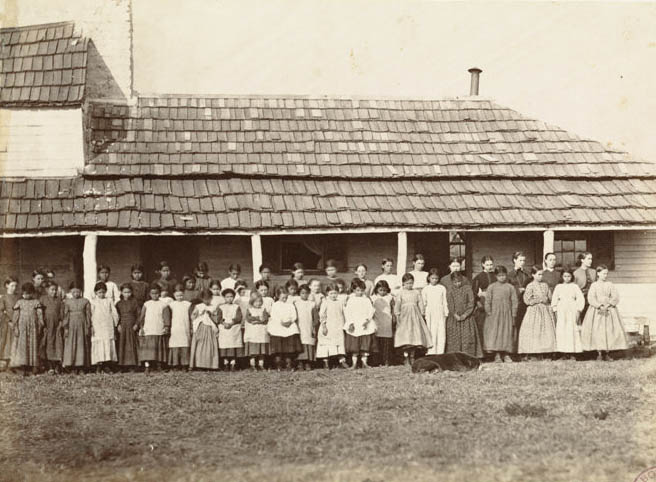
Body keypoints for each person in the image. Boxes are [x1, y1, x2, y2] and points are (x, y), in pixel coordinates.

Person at [581, 265, 628, 360]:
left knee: (609, 331)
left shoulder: (610, 284)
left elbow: (616, 297)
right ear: (598, 273)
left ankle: (608, 352)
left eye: (606, 274)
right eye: (603, 273)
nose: (605, 276)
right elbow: (590, 298)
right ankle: (599, 352)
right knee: (598, 331)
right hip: (597, 310)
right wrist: (599, 305)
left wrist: (609, 304)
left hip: (609, 310)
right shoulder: (594, 285)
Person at [517, 265, 556, 359]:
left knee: (546, 330)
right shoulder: (530, 286)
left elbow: (550, 298)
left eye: (542, 274)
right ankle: (534, 353)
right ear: (533, 275)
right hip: (534, 311)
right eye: (538, 274)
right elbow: (526, 300)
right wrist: (537, 300)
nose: (541, 276)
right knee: (534, 331)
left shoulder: (545, 285)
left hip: (545, 310)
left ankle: (546, 353)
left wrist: (547, 299)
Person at [394, 273, 432, 366]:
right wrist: (398, 315)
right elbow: (397, 306)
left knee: (414, 337)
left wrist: (422, 313)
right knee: (406, 337)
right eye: (407, 283)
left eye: (411, 283)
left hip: (415, 316)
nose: (409, 285)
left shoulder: (416, 292)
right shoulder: (400, 293)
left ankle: (412, 356)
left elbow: (420, 303)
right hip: (405, 316)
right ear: (403, 283)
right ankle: (406, 357)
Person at [483, 266, 519, 363]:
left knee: (507, 333)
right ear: (495, 276)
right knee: (496, 333)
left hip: (507, 314)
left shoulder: (510, 287)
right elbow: (487, 300)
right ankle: (497, 355)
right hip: (495, 314)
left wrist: (513, 313)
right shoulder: (491, 287)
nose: (502, 277)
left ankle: (506, 355)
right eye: (499, 276)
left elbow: (514, 301)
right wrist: (489, 312)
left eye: (504, 275)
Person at [445, 272, 483, 358]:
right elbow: (449, 304)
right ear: (452, 281)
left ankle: (469, 356)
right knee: (454, 339)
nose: (457, 284)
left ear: (462, 280)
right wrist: (455, 314)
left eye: (459, 281)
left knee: (468, 337)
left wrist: (465, 315)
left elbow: (471, 303)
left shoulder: (468, 289)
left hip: (467, 318)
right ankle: (455, 357)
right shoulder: (450, 290)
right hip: (454, 319)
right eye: (455, 282)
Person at [10, 283, 44, 375]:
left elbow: (40, 315)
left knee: (33, 346)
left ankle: (32, 367)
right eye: (25, 293)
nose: (26, 295)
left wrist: (41, 326)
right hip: (22, 328)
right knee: (22, 346)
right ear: (22, 293)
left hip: (33, 328)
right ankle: (23, 367)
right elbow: (15, 317)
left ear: (32, 293)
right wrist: (15, 327)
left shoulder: (36, 302)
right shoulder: (19, 302)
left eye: (29, 293)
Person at [551, 268, 585, 358]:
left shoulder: (575, 287)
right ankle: (562, 352)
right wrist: (555, 310)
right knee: (562, 330)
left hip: (572, 309)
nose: (567, 278)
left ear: (572, 277)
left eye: (569, 276)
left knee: (571, 329)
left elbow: (580, 299)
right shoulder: (558, 287)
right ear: (562, 277)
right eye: (565, 276)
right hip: (561, 309)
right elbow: (554, 299)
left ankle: (572, 351)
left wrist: (579, 310)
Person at [344, 278, 377, 369]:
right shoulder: (351, 299)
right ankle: (354, 363)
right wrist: (350, 323)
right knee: (355, 345)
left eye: (362, 290)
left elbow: (371, 310)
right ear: (354, 290)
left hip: (364, 323)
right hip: (355, 323)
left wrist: (367, 320)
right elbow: (347, 312)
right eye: (358, 290)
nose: (360, 292)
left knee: (365, 344)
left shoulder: (366, 299)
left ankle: (364, 363)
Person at [138, 284, 171, 373]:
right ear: (149, 294)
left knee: (158, 349)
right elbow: (142, 317)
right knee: (148, 350)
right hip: (148, 330)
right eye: (152, 293)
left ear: (159, 293)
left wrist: (166, 327)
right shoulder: (146, 304)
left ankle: (159, 366)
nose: (154, 295)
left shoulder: (163, 305)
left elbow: (166, 318)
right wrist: (141, 327)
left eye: (156, 293)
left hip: (158, 329)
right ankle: (147, 366)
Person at [267, 286, 302, 371]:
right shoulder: (275, 305)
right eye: (283, 297)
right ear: (278, 296)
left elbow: (294, 315)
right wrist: (281, 322)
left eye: (286, 297)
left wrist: (290, 321)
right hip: (278, 326)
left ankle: (288, 364)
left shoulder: (290, 305)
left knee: (288, 348)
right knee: (279, 348)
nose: (284, 299)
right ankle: (279, 364)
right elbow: (274, 316)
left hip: (289, 326)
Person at [89, 282, 119, 373]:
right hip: (97, 326)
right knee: (99, 345)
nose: (101, 294)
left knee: (107, 344)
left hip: (107, 326)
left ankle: (107, 365)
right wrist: (91, 325)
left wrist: (115, 324)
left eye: (103, 292)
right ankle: (99, 365)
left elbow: (114, 312)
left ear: (106, 292)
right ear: (95, 292)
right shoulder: (93, 302)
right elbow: (90, 314)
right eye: (99, 292)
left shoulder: (109, 300)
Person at [62, 282, 91, 373]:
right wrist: (66, 327)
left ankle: (81, 366)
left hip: (82, 325)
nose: (76, 294)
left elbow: (88, 315)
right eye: (73, 292)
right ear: (70, 292)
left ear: (81, 292)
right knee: (70, 344)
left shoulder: (85, 301)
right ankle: (71, 366)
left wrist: (87, 325)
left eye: (78, 292)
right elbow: (65, 315)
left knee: (81, 344)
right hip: (71, 325)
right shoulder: (67, 302)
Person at [317, 283, 348, 369]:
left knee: (339, 343)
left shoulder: (340, 302)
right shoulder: (325, 302)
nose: (333, 295)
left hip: (338, 326)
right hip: (328, 326)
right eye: (331, 293)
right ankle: (326, 362)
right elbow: (322, 315)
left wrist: (346, 324)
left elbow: (345, 313)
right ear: (327, 293)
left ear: (338, 292)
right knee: (327, 343)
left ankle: (341, 361)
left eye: (335, 293)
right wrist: (324, 326)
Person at [189, 289, 221, 370]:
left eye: (209, 298)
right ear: (202, 299)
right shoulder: (198, 306)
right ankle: (198, 364)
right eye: (205, 299)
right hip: (201, 327)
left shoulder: (213, 307)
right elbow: (192, 317)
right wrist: (199, 314)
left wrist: (211, 314)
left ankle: (210, 364)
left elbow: (216, 319)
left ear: (211, 298)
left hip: (210, 328)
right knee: (200, 345)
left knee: (210, 346)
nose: (207, 300)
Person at [422, 268, 449, 355]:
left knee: (441, 331)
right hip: (430, 312)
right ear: (429, 278)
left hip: (440, 311)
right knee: (431, 331)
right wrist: (425, 313)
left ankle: (440, 351)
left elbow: (444, 301)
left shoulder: (442, 288)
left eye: (436, 278)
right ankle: (431, 351)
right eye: (432, 278)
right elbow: (424, 302)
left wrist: (446, 312)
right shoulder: (426, 289)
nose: (434, 280)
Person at [507, 251, 530, 349]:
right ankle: (515, 350)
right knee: (515, 326)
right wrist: (517, 291)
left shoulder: (528, 274)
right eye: (520, 260)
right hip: (515, 303)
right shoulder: (509, 275)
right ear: (514, 260)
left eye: (524, 260)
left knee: (527, 326)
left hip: (526, 303)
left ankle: (526, 350)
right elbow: (508, 289)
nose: (522, 262)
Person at [40, 281, 64, 374]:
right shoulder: (43, 299)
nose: (54, 292)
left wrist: (61, 322)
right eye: (52, 290)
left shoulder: (59, 300)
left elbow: (62, 312)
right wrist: (42, 324)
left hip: (56, 326)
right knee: (48, 344)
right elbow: (40, 312)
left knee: (57, 344)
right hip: (47, 326)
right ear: (47, 290)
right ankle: (49, 366)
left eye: (55, 290)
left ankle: (57, 365)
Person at [472, 256, 496, 348]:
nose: (490, 267)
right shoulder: (478, 277)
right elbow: (474, 292)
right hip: (483, 304)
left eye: (491, 264)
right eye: (487, 265)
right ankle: (484, 351)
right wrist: (478, 302)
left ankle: (494, 351)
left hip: (495, 303)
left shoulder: (495, 276)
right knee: (483, 327)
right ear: (483, 265)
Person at [218, 288, 244, 371]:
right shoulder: (221, 307)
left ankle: (233, 363)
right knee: (225, 345)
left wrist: (232, 323)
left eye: (231, 296)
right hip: (224, 328)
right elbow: (218, 317)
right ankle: (226, 363)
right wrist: (224, 323)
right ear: (224, 298)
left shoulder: (236, 307)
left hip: (233, 328)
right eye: (227, 297)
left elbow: (238, 317)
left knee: (233, 345)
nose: (229, 298)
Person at [116, 284, 140, 370]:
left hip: (131, 324)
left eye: (129, 292)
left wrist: (137, 324)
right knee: (122, 343)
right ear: (121, 293)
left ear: (131, 292)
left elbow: (139, 314)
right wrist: (118, 325)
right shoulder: (118, 303)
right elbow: (116, 316)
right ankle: (122, 365)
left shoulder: (135, 302)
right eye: (125, 292)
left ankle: (133, 365)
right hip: (122, 324)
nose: (127, 294)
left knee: (131, 344)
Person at [168, 285, 192, 370]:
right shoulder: (171, 305)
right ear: (174, 295)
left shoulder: (187, 304)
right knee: (175, 344)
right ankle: (175, 364)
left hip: (185, 326)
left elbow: (190, 316)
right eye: (177, 295)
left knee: (185, 344)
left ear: (184, 294)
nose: (179, 297)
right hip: (175, 327)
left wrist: (191, 327)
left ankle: (185, 364)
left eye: (181, 295)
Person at [244, 292, 270, 371]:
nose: (258, 303)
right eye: (256, 302)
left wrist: (258, 321)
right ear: (252, 302)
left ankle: (261, 364)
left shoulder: (263, 309)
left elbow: (265, 319)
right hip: (253, 333)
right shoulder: (249, 310)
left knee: (261, 351)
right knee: (254, 351)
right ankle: (252, 364)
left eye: (259, 301)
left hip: (261, 332)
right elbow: (249, 319)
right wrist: (258, 318)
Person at [295, 284, 319, 370]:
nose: (304, 295)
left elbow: (315, 317)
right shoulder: (296, 304)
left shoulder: (312, 304)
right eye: (302, 293)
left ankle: (308, 362)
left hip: (309, 326)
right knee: (301, 342)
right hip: (299, 326)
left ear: (309, 293)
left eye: (306, 293)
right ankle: (300, 362)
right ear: (299, 294)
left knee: (309, 341)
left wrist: (314, 326)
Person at [371, 280, 395, 366]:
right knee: (377, 342)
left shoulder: (389, 297)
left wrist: (393, 317)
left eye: (384, 290)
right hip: (377, 321)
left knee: (387, 342)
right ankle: (378, 361)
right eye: (380, 290)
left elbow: (392, 308)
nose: (383, 292)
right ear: (377, 289)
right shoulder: (373, 298)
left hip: (387, 321)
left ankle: (386, 360)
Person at [0, 277, 19, 370]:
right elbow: (1, 311)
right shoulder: (3, 297)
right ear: (7, 285)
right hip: (7, 324)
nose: (14, 288)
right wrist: (9, 321)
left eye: (15, 286)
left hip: (17, 323)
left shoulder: (18, 297)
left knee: (16, 341)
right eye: (12, 285)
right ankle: (5, 362)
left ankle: (14, 362)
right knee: (7, 341)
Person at [573, 252, 596, 316]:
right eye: (588, 259)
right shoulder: (576, 273)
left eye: (591, 259)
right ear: (582, 260)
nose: (590, 261)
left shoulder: (594, 272)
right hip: (581, 299)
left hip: (592, 299)